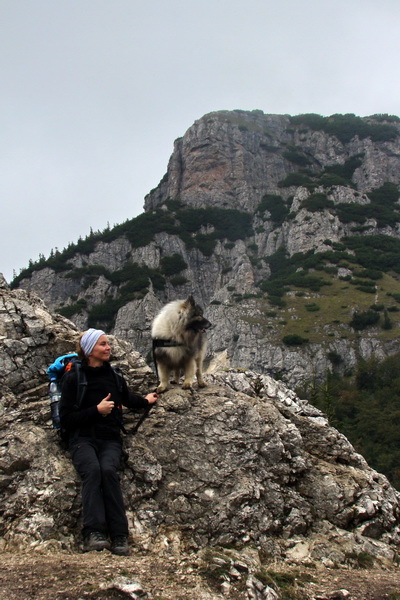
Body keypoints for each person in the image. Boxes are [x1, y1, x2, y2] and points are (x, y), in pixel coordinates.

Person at [59, 328, 158, 555]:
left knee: (108, 472)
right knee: (93, 471)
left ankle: (120, 536)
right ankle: (94, 532)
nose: (108, 348)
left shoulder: (114, 376)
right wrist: (97, 410)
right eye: (102, 344)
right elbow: (66, 419)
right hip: (82, 438)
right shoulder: (74, 378)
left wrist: (146, 400)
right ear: (88, 350)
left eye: (108, 344)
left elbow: (127, 398)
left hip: (110, 439)